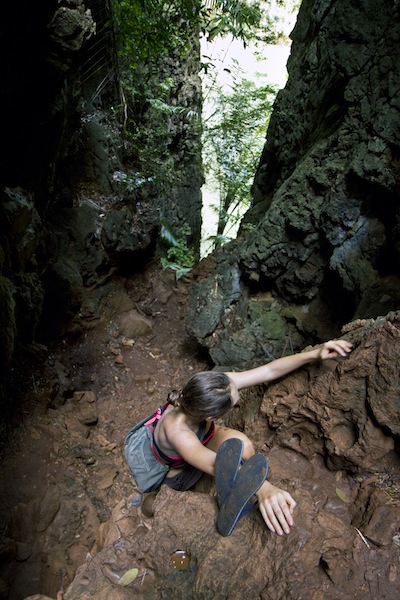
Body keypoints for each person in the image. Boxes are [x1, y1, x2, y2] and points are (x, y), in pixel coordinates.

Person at [125, 339, 353, 536]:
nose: (238, 402)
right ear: (213, 415)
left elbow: (268, 371)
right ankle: (145, 508)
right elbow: (219, 466)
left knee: (243, 446)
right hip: (177, 466)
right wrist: (265, 489)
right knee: (157, 504)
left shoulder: (213, 387)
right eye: (233, 406)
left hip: (201, 435)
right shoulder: (179, 433)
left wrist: (315, 354)